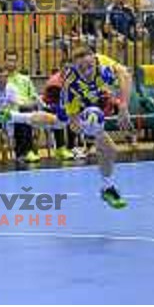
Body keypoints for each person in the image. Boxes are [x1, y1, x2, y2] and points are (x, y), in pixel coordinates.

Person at [60, 46, 132, 208]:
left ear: (95, 59)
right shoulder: (70, 84)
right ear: (74, 67)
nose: (86, 71)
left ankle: (107, 186)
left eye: (89, 66)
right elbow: (72, 121)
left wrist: (123, 106)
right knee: (109, 149)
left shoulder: (102, 64)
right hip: (76, 109)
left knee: (111, 151)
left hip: (96, 101)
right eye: (81, 68)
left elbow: (125, 74)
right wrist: (87, 127)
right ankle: (107, 187)